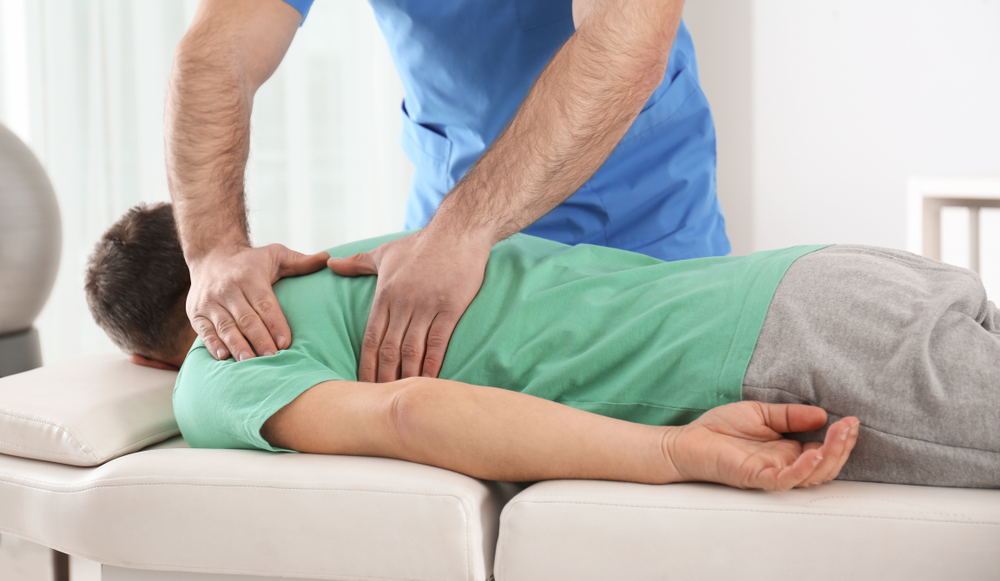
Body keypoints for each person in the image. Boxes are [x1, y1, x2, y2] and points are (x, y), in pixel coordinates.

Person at [165, 0, 729, 384]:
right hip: (444, 241)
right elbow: (216, 56)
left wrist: (463, 229)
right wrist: (213, 251)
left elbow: (623, 41)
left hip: (639, 220)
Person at [85, 204, 1000, 490]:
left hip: (788, 346)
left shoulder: (210, 375)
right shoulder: (351, 258)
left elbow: (409, 409)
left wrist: (677, 450)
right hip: (838, 277)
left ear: (146, 359)